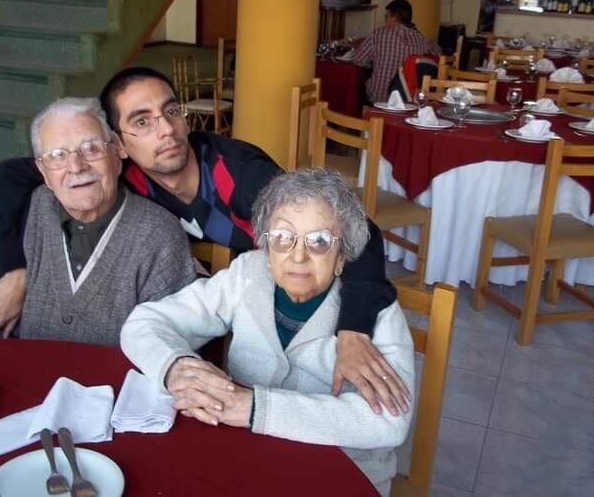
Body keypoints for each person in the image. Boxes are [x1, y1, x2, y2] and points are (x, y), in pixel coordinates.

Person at [0, 67, 409, 415]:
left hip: (292, 292)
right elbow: (14, 175)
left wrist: (354, 329)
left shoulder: (239, 175)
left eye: (170, 112)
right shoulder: (120, 173)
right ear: (118, 145)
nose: (165, 130)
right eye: (141, 122)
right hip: (230, 299)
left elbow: (357, 231)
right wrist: (17, 270)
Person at [120, 169, 414, 496]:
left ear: (343, 256)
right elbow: (143, 324)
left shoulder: (376, 313)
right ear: (266, 245)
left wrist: (257, 409)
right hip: (246, 460)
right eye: (283, 238)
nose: (298, 256)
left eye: (319, 241)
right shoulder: (247, 275)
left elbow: (391, 422)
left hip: (341, 477)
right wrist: (176, 368)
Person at [0, 97, 196, 346]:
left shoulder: (158, 235)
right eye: (57, 155)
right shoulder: (31, 207)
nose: (76, 167)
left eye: (91, 148)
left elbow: (168, 348)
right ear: (43, 171)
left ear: (117, 151)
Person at [351, 0, 441, 102]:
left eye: (387, 16)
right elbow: (438, 53)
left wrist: (373, 62)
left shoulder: (379, 33)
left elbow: (357, 59)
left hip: (378, 98)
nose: (385, 19)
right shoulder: (420, 38)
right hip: (407, 99)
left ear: (394, 18)